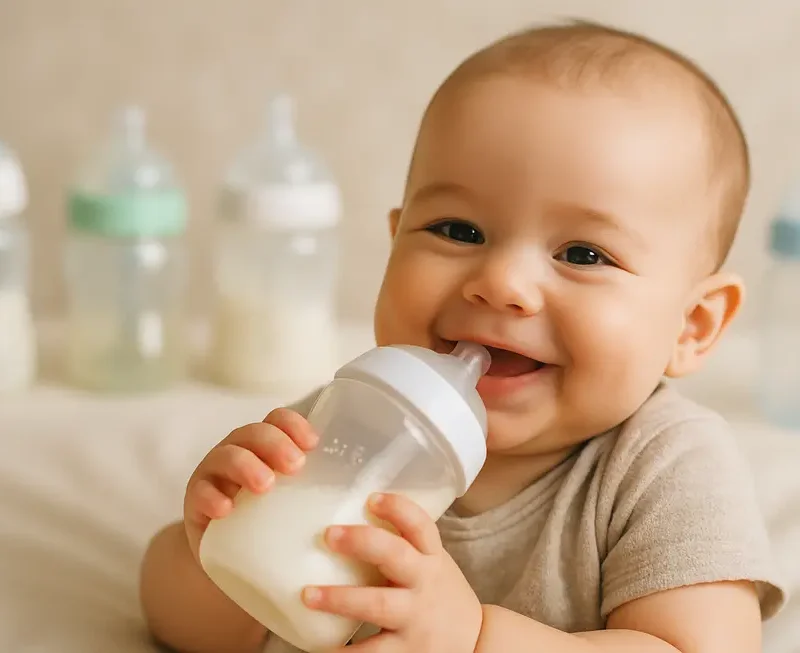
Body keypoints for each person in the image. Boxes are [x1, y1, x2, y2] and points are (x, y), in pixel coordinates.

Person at [140, 20, 786, 653]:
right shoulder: (352, 426)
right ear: (395, 240)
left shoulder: (666, 463)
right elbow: (198, 628)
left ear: (692, 326)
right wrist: (211, 552)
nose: (501, 282)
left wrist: (476, 638)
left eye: (584, 254)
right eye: (458, 230)